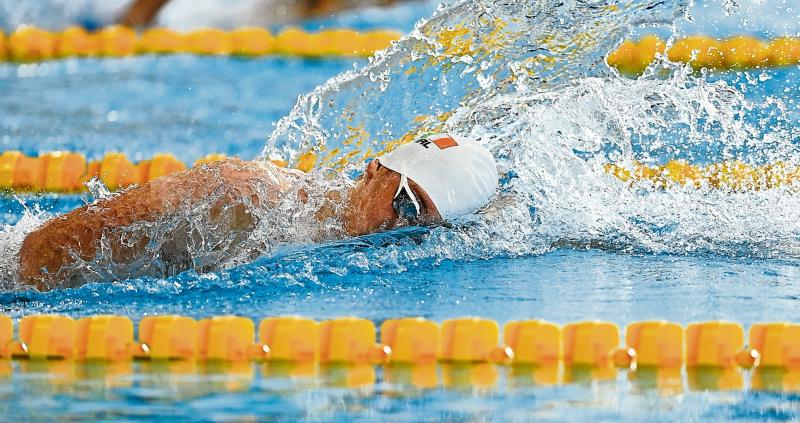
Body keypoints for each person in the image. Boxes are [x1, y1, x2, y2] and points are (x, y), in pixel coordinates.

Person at [18, 133, 498, 291]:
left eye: (422, 227)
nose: (397, 229)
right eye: (405, 203)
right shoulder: (239, 198)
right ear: (372, 170)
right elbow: (41, 250)